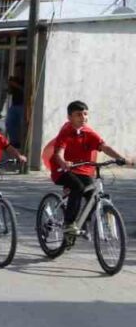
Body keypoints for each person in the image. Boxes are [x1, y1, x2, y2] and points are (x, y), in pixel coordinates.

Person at [51, 100, 130, 236]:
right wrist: (64, 163)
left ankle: (83, 222)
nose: (83, 117)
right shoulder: (66, 132)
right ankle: (69, 223)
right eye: (78, 114)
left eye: (85, 114)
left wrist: (120, 158)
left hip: (82, 171)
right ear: (69, 117)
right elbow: (58, 153)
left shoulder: (89, 132)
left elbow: (104, 147)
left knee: (94, 195)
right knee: (78, 187)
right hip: (62, 170)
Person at [6, 63, 26, 149]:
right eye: (16, 70)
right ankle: (14, 141)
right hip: (14, 105)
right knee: (10, 123)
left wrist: (16, 85)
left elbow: (26, 91)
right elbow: (9, 92)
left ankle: (22, 142)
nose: (18, 72)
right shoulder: (15, 79)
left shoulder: (26, 79)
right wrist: (10, 85)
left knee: (22, 124)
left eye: (19, 70)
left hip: (23, 105)